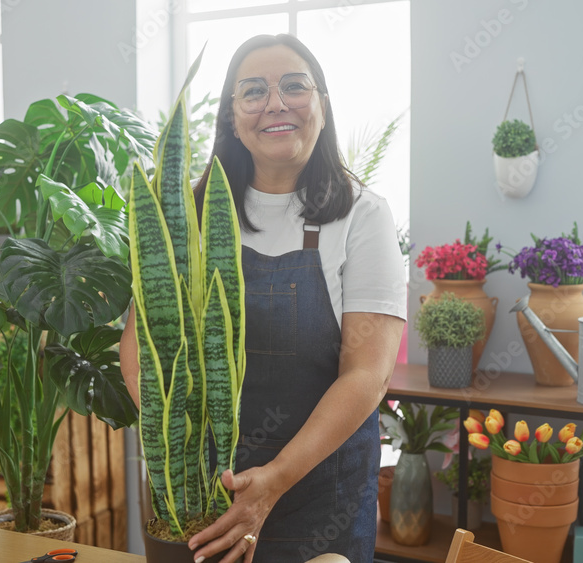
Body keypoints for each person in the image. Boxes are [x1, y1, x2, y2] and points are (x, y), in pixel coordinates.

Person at [121, 34, 406, 563]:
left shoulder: (362, 215)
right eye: (253, 91)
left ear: (322, 102)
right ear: (231, 116)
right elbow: (143, 352)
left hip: (321, 503)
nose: (275, 103)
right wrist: (181, 456)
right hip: (208, 499)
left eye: (295, 85)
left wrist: (272, 482)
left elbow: (368, 373)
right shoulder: (188, 216)